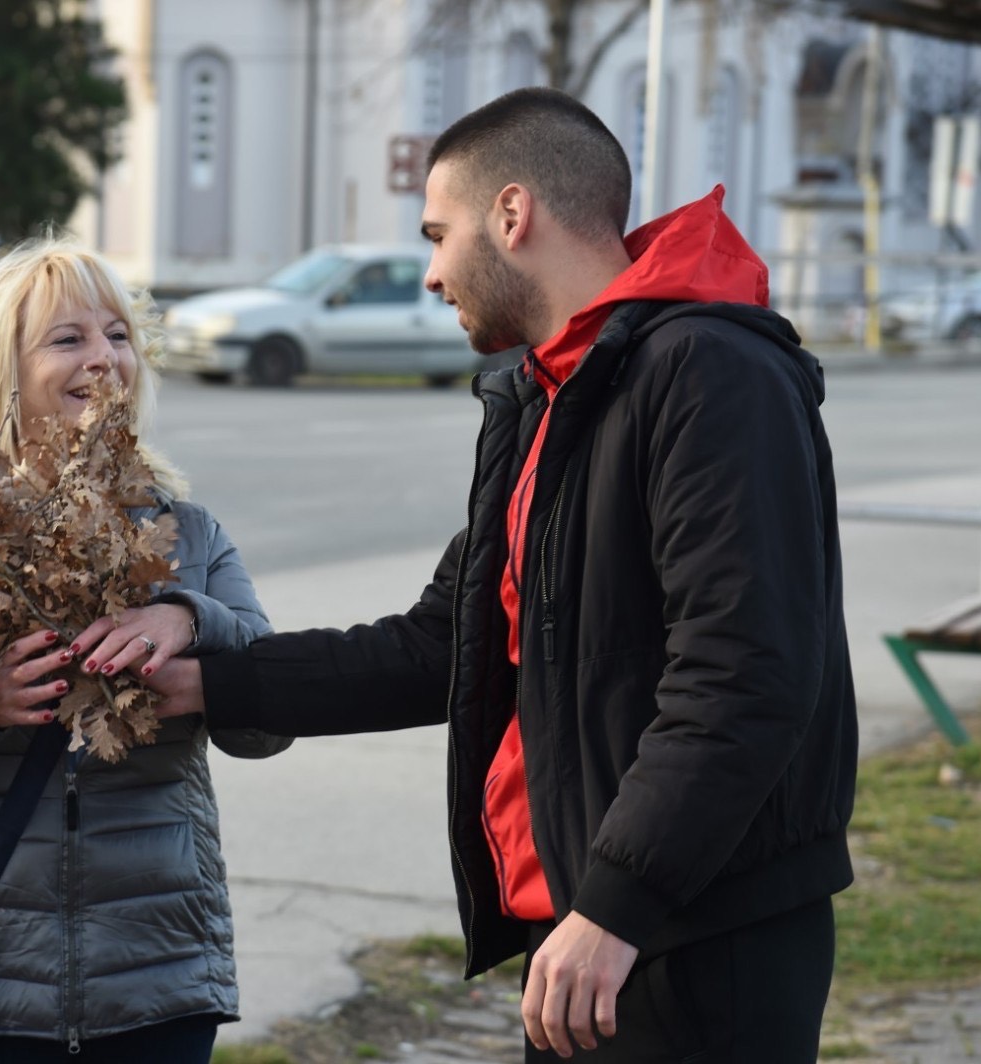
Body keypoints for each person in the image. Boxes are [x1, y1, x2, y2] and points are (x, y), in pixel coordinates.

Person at [94, 87, 858, 1062]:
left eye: (435, 232)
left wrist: (617, 906)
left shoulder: (709, 373)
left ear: (511, 213)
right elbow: (443, 640)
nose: (428, 273)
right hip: (597, 928)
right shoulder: (553, 393)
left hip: (695, 933)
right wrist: (205, 676)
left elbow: (743, 674)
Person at [0, 236, 292, 1063]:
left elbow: (271, 724)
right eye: (68, 338)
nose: (105, 359)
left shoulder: (187, 534)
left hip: (157, 976)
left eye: (118, 335)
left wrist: (192, 621)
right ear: (1, 368)